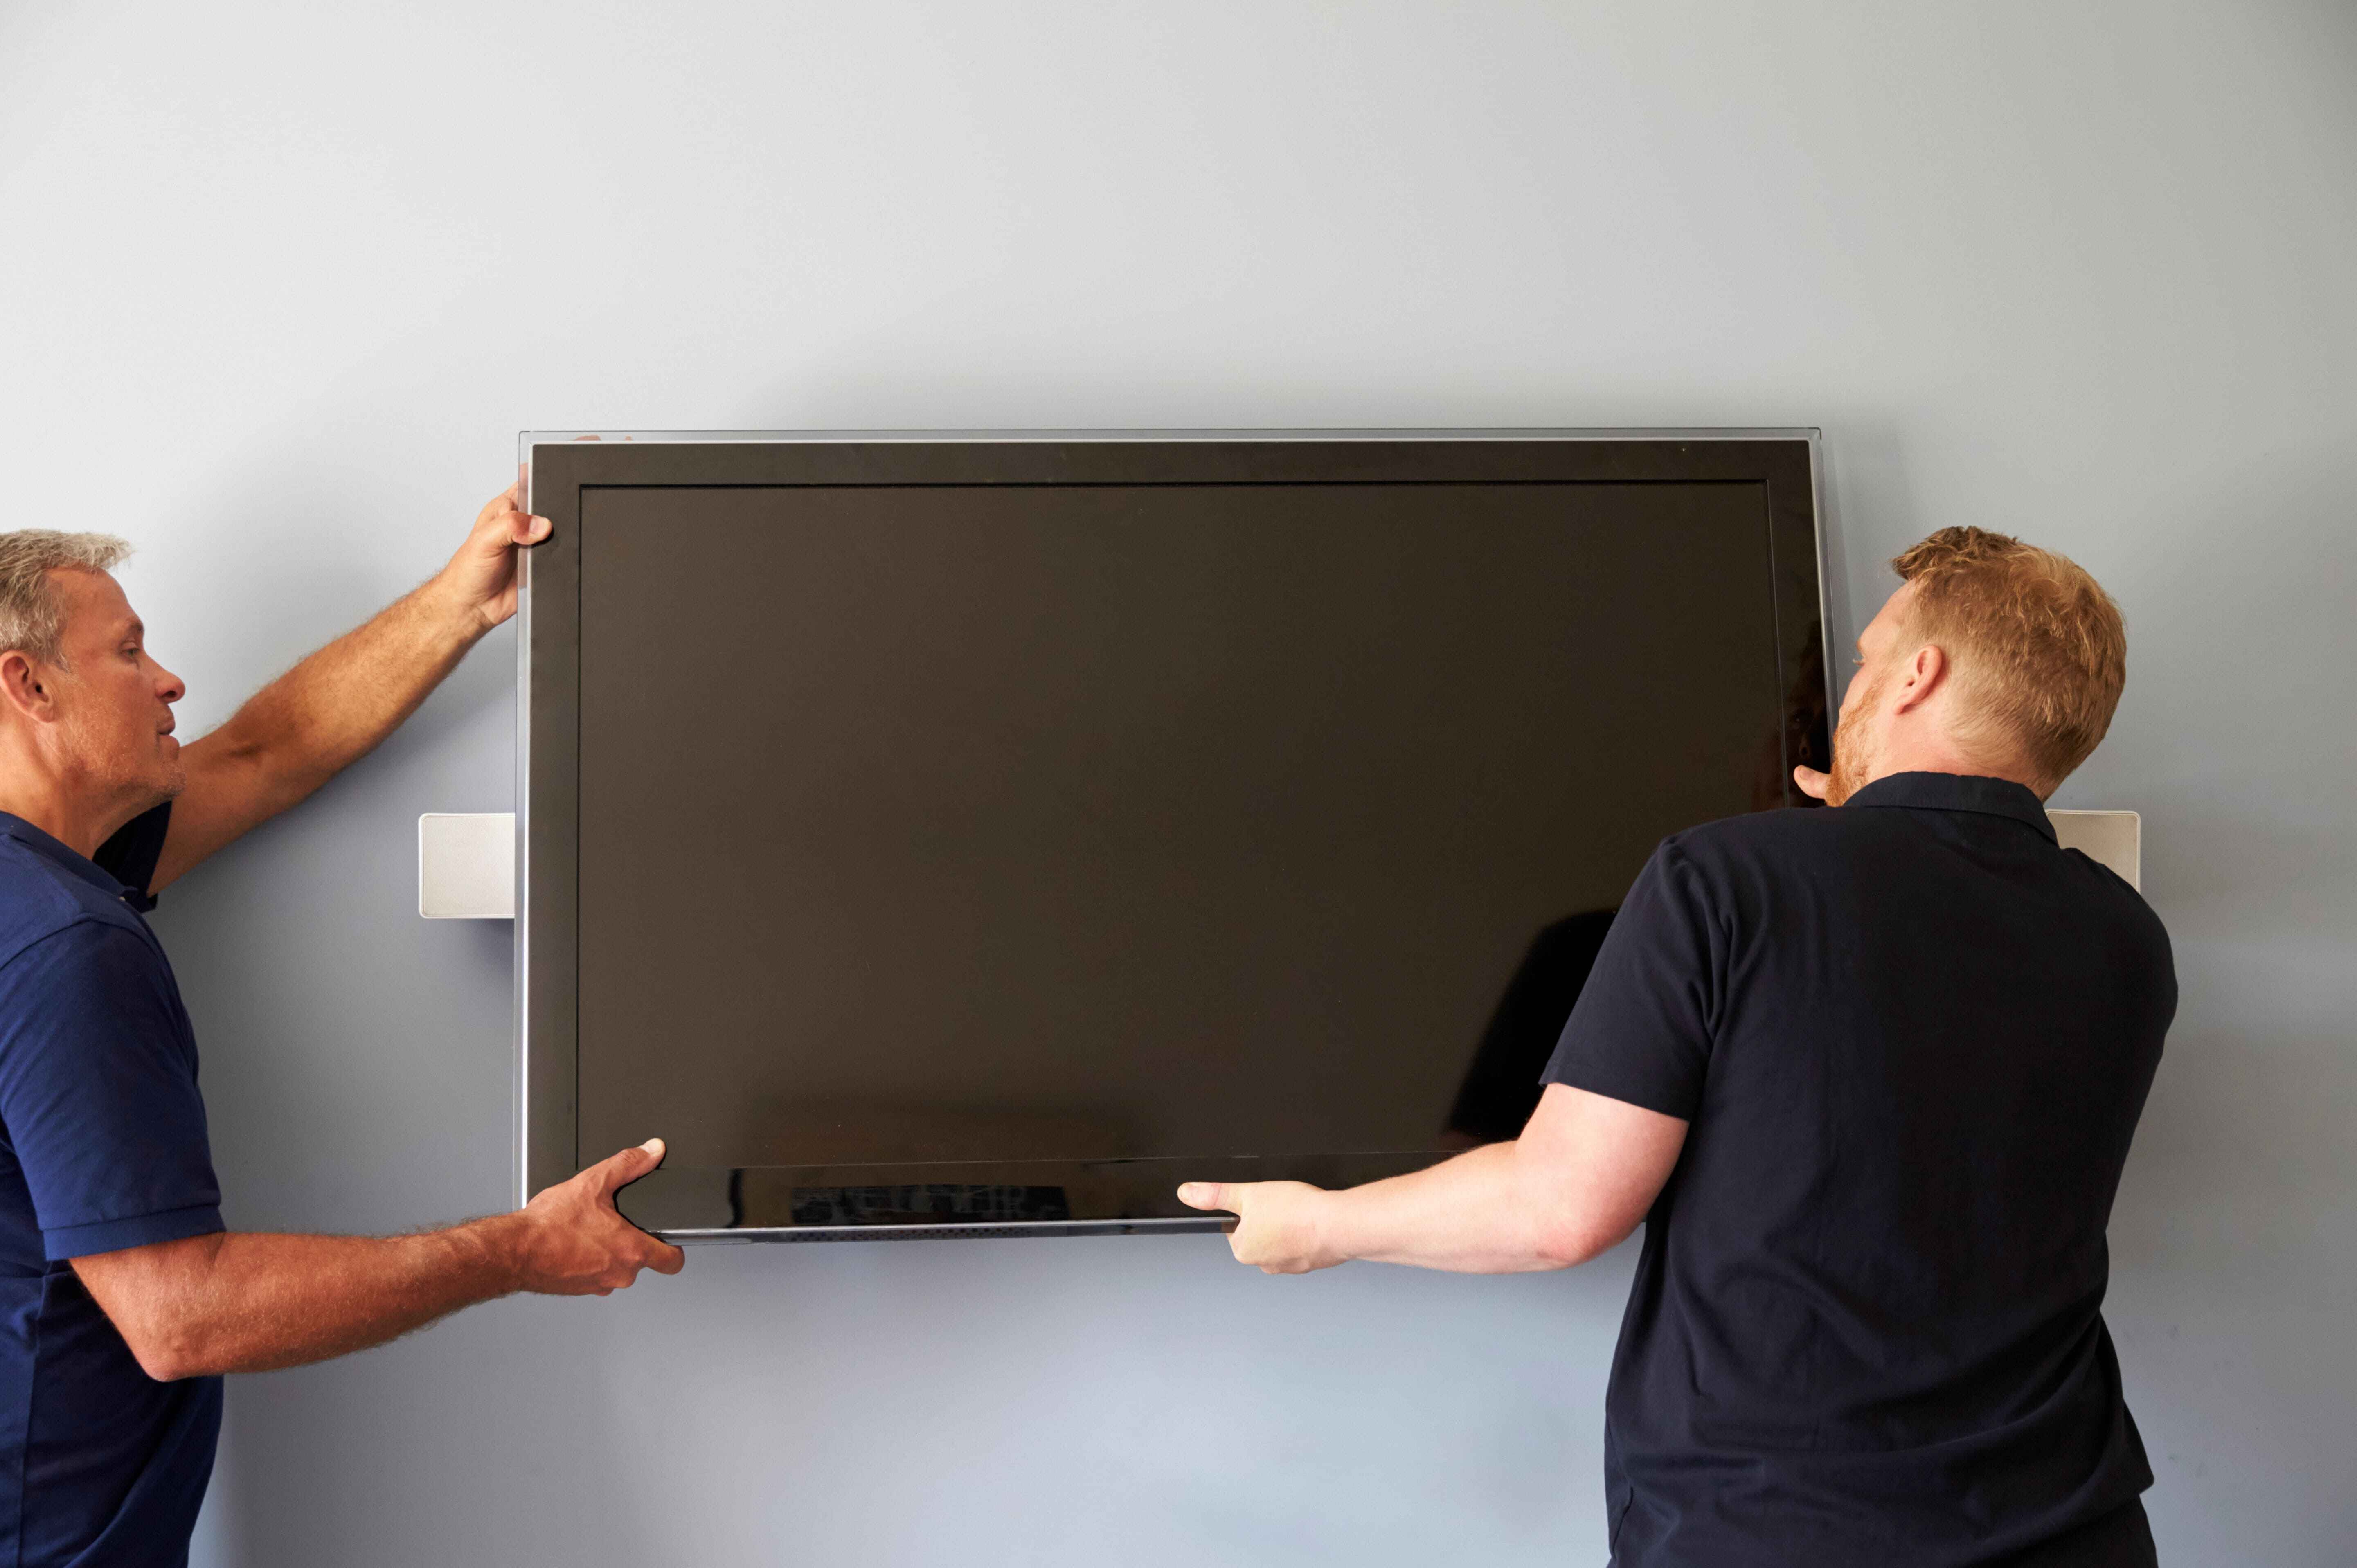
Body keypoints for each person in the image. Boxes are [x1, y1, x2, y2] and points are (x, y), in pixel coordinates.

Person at [1180, 527, 2172, 1568]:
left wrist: (1318, 1224)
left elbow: (1558, 1210)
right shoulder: (2124, 935)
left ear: (1918, 675)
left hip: (1778, 1531)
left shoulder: (1726, 876)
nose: (1855, 688)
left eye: (1867, 661)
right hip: (2072, 1526)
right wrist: (1854, 831)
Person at [0, 490, 682, 1568]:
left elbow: (262, 754)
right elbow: (180, 1317)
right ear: (28, 684)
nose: (169, 679)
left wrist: (464, 602)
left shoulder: (36, 890)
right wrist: (518, 1248)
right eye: (128, 651)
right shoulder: (63, 944)